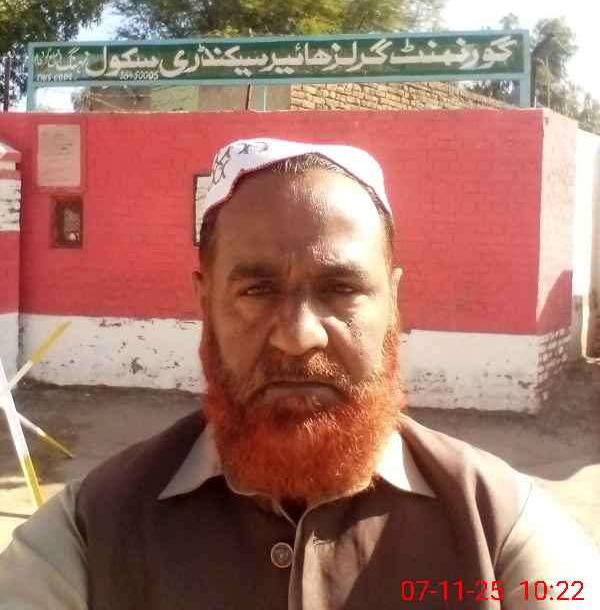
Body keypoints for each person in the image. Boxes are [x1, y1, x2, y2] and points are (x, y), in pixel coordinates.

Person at [0, 136, 598, 609]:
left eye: (341, 288)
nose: (297, 334)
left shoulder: (500, 528)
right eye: (257, 290)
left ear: (393, 302)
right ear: (204, 302)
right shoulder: (87, 534)